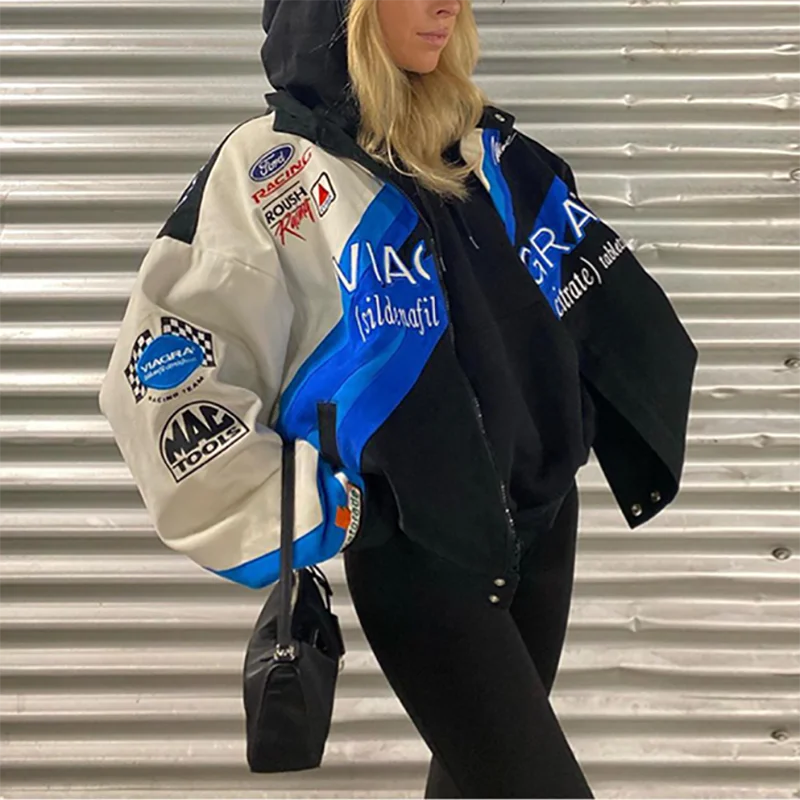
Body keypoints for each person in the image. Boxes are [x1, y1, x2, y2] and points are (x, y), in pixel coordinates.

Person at [99, 0, 698, 796]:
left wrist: (582, 418)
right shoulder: (275, 170)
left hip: (544, 525)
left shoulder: (480, 145)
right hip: (425, 554)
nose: (447, 5)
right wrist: (329, 509)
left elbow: (573, 301)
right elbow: (162, 383)